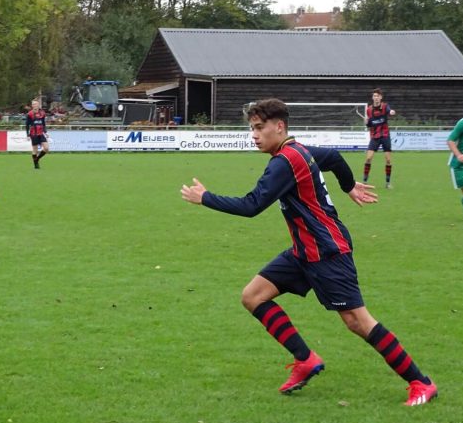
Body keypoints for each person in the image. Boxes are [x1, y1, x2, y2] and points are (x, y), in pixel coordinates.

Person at [180, 98, 437, 406]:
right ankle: (306, 359)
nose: (254, 135)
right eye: (252, 129)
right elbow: (333, 156)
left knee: (357, 321)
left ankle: (420, 382)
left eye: (260, 128)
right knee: (253, 296)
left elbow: (252, 206)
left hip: (328, 252)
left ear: (280, 126)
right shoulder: (298, 151)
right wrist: (347, 187)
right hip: (304, 251)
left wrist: (206, 197)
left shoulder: (284, 162)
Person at [362, 88, 396, 188]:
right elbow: (369, 125)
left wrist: (392, 112)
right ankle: (364, 182)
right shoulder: (369, 109)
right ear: (372, 98)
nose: (376, 98)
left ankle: (388, 183)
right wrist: (366, 122)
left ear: (381, 97)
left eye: (378, 96)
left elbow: (390, 111)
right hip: (374, 136)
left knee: (388, 160)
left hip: (385, 135)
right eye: (374, 96)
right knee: (368, 158)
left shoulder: (385, 106)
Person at [26, 99, 49, 169]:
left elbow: (43, 123)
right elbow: (27, 125)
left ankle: (37, 159)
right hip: (33, 134)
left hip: (41, 133)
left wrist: (45, 132)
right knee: (35, 150)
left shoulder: (42, 113)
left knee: (46, 148)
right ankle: (36, 166)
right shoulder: (29, 114)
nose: (34, 105)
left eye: (35, 104)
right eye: (33, 104)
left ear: (38, 105)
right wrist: (28, 135)